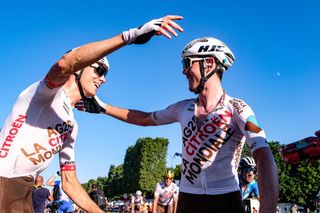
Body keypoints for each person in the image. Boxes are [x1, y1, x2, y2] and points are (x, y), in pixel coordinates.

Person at [0, 15, 183, 213]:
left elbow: (69, 182)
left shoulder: (72, 125)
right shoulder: (42, 95)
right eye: (100, 70)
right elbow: (65, 64)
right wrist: (129, 36)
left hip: (24, 189)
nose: (103, 79)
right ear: (78, 70)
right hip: (4, 180)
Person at [80, 36, 279, 212]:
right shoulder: (182, 108)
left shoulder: (238, 107)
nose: (184, 71)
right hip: (187, 199)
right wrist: (103, 107)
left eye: (187, 63)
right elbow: (144, 118)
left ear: (208, 64)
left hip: (225, 199)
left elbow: (263, 157)